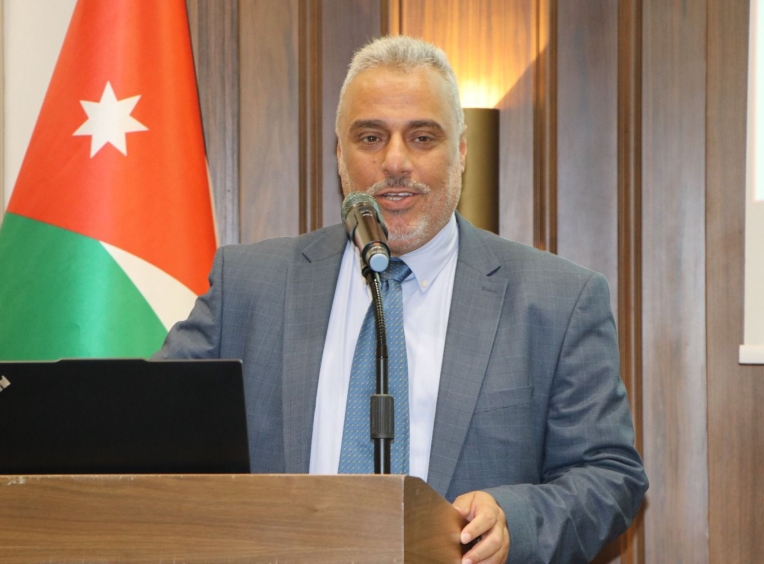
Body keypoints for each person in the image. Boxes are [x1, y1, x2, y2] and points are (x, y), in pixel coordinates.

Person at [154, 35, 648, 564]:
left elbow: (610, 476)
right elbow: (147, 430)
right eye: (370, 137)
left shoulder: (558, 301)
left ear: (461, 151)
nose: (395, 161)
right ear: (339, 154)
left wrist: (514, 520)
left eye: (422, 137)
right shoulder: (249, 285)